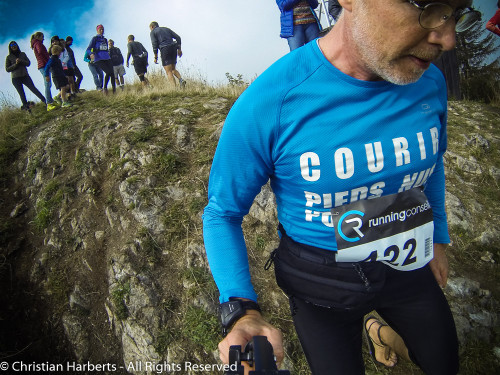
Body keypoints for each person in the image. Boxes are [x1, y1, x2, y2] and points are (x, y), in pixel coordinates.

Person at [203, 1, 481, 374]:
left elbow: (433, 161)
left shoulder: (427, 79)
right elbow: (222, 212)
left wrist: (439, 237)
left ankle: (379, 334)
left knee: (444, 362)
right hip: (320, 282)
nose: (447, 39)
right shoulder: (272, 100)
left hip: (405, 256)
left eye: (456, 12)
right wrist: (241, 310)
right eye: (428, 6)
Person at [5, 41, 46, 111]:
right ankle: (27, 109)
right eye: (12, 46)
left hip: (25, 76)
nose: (14, 46)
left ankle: (45, 100)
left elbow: (28, 63)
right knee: (22, 93)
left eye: (15, 45)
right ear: (10, 48)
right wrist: (16, 64)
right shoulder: (9, 57)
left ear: (17, 46)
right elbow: (7, 69)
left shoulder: (22, 54)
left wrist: (21, 61)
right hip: (15, 78)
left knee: (33, 89)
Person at [149, 21, 185, 87]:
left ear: (152, 27)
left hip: (165, 49)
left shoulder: (153, 32)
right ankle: (180, 80)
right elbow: (178, 37)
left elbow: (154, 44)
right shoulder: (166, 29)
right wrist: (179, 49)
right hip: (173, 47)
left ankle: (174, 89)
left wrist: (155, 57)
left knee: (168, 71)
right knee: (173, 69)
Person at [30, 32, 57, 111]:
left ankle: (50, 100)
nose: (43, 38)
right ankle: (49, 103)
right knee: (47, 83)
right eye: (42, 36)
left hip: (42, 65)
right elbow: (41, 52)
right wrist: (48, 60)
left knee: (48, 83)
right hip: (44, 65)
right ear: (38, 37)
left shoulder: (35, 43)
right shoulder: (38, 43)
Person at [86, 24, 116, 94]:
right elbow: (88, 48)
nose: (102, 31)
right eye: (100, 29)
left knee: (112, 73)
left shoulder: (105, 39)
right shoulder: (95, 38)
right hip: (99, 59)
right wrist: (91, 53)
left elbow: (106, 49)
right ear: (97, 30)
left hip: (107, 58)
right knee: (108, 72)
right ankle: (105, 88)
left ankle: (114, 90)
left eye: (103, 29)